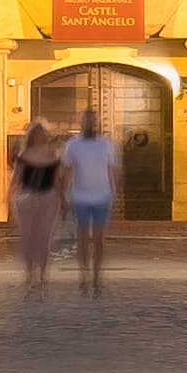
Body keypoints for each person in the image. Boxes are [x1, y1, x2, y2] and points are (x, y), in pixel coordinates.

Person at [59, 108, 121, 296]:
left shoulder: (106, 144)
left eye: (93, 121)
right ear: (82, 123)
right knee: (83, 238)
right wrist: (63, 195)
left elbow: (113, 169)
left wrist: (115, 191)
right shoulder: (73, 145)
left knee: (100, 239)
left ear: (97, 123)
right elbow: (67, 171)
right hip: (80, 197)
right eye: (87, 120)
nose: (90, 124)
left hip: (102, 196)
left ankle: (97, 277)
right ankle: (84, 275)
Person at [9, 119, 65, 286]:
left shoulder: (52, 154)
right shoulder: (24, 155)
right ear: (32, 136)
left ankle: (42, 273)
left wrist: (63, 198)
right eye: (38, 133)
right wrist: (10, 196)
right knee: (28, 237)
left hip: (48, 197)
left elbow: (57, 179)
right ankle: (30, 273)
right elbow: (16, 178)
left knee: (44, 237)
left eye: (42, 133)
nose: (40, 136)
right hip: (27, 197)